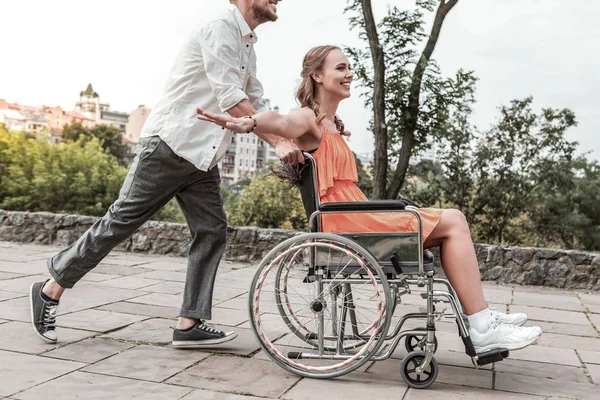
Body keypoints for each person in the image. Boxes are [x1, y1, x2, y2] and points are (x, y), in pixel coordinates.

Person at [196, 45, 543, 353]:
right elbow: (282, 121)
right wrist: (250, 121)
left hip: (354, 216)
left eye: (349, 67)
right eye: (341, 68)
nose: (350, 74)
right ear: (317, 75)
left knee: (452, 222)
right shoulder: (309, 117)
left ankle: (480, 316)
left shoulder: (333, 124)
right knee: (452, 219)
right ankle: (481, 324)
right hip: (344, 221)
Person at [29, 0, 303, 348]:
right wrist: (279, 143)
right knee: (119, 223)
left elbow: (256, 100)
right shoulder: (220, 26)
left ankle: (189, 323)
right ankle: (50, 290)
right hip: (169, 146)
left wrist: (297, 138)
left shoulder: (246, 43)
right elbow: (230, 97)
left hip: (203, 157)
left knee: (211, 231)